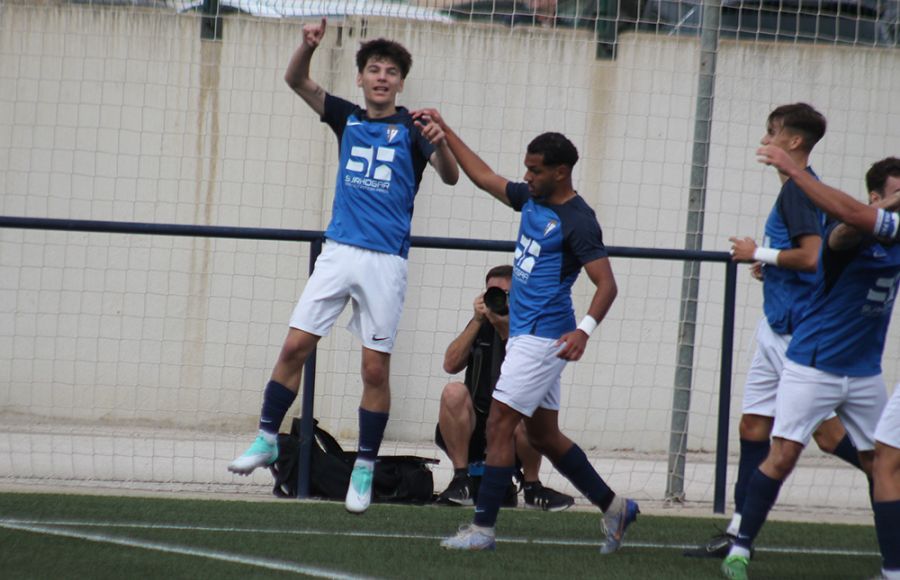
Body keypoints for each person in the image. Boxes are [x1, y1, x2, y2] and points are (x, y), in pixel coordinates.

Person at [227, 18, 459, 517]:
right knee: (295, 344)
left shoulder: (415, 129)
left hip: (385, 263)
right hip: (339, 252)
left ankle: (365, 466)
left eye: (391, 71)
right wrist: (306, 47)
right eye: (373, 69)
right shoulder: (345, 116)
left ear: (400, 82)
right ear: (360, 78)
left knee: (374, 368)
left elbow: (451, 177)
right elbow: (295, 81)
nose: (381, 77)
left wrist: (440, 142)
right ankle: (267, 437)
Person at [412, 107, 638, 553]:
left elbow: (606, 284)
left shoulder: (578, 220)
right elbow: (483, 177)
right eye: (526, 168)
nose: (526, 176)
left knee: (499, 423)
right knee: (543, 436)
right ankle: (614, 508)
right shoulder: (532, 199)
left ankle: (482, 530)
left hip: (541, 338)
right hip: (529, 337)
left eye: (535, 170)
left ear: (561, 171)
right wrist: (446, 130)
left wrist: (585, 331)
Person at [685, 103, 868, 559]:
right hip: (775, 327)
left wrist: (758, 254)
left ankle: (889, 469)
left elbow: (808, 256)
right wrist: (771, 267)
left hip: (798, 335)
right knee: (753, 425)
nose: (764, 139)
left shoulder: (799, 193)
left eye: (772, 132)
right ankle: (737, 531)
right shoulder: (802, 191)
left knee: (826, 436)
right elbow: (817, 259)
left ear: (793, 142)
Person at [738, 151, 900, 580]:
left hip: (865, 372)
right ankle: (740, 545)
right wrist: (794, 173)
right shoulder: (845, 237)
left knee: (883, 465)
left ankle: (893, 567)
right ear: (875, 198)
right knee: (785, 453)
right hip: (814, 364)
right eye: (896, 193)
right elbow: (847, 221)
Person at [435, 264, 575, 511]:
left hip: (514, 429)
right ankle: (461, 480)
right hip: (476, 426)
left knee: (529, 407)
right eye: (492, 293)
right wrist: (478, 321)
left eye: (506, 294)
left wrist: (505, 328)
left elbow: (531, 369)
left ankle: (532, 487)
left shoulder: (530, 328)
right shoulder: (478, 324)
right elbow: (450, 364)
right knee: (452, 392)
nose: (499, 300)